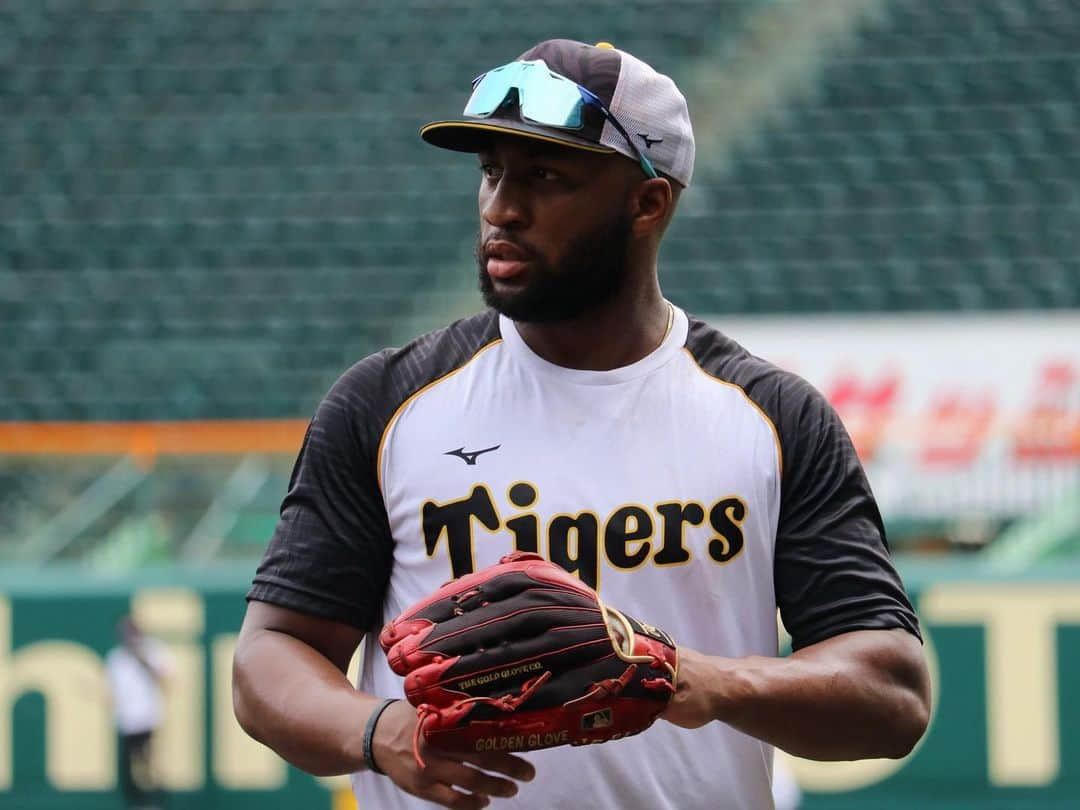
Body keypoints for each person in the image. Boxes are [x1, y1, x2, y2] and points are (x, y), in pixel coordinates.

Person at [233, 38, 930, 810]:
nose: (502, 206)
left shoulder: (772, 417)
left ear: (647, 202)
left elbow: (893, 694)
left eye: (546, 176)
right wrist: (380, 732)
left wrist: (702, 678)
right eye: (492, 171)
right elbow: (269, 657)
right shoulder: (384, 401)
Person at [105, 615, 171, 810]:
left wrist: (142, 660)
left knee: (149, 766)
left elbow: (164, 677)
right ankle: (135, 804)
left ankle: (155, 804)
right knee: (128, 769)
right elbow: (113, 691)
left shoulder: (153, 651)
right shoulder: (116, 657)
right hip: (126, 722)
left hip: (148, 720)